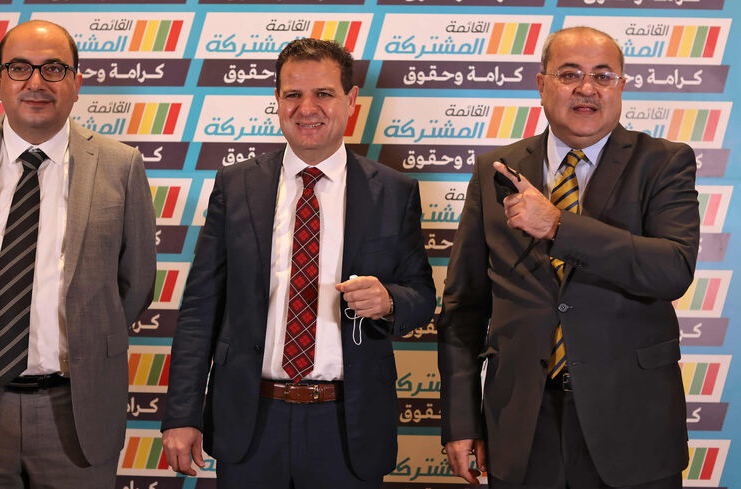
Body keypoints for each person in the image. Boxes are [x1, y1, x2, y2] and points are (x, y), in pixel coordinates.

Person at [161, 38, 435, 488]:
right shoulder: (236, 185)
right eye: (293, 94)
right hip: (251, 422)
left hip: (348, 425)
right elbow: (200, 309)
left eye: (323, 94)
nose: (307, 107)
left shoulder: (394, 191)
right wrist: (181, 414)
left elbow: (422, 296)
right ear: (277, 100)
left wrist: (389, 300)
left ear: (350, 101)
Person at [437, 26, 698, 489]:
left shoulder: (663, 162)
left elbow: (672, 269)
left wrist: (558, 225)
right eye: (569, 73)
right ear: (541, 84)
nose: (586, 88)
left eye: (603, 76)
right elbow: (464, 309)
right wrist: (460, 420)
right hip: (520, 427)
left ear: (621, 86)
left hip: (632, 426)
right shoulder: (494, 170)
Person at [0, 20, 156, 488]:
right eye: (19, 68)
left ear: (77, 83)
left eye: (54, 68)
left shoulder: (122, 166)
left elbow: (136, 283)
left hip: (77, 408)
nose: (36, 82)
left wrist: (87, 333)